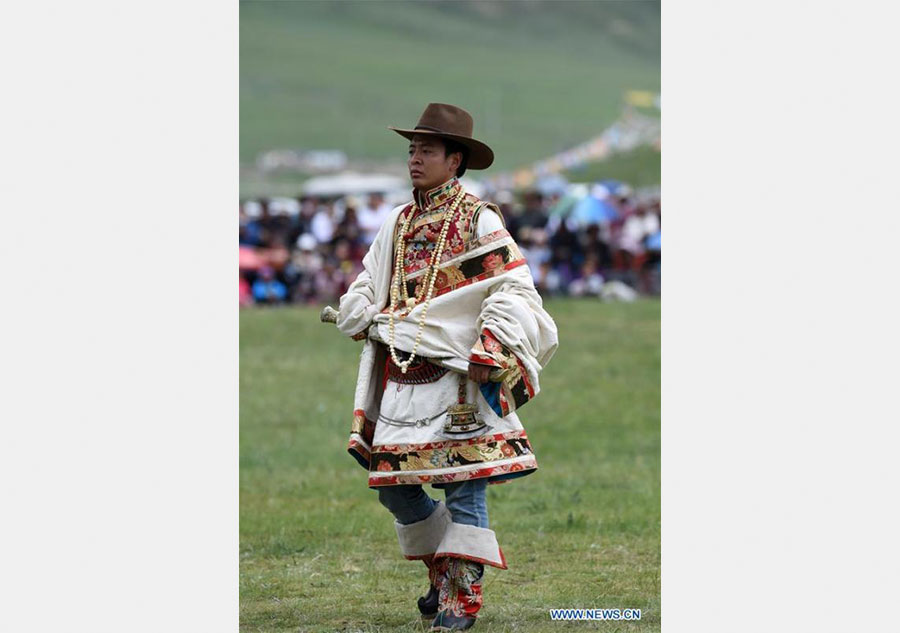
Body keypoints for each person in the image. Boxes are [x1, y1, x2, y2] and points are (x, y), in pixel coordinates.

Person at [335, 103, 558, 631]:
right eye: (412, 149)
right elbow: (370, 279)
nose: (415, 159)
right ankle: (442, 570)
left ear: (454, 161)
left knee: (462, 483)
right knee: (392, 483)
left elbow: (512, 288)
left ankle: (462, 597)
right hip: (403, 373)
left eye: (427, 150)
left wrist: (492, 344)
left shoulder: (478, 219)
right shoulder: (398, 220)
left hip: (460, 375)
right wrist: (361, 307)